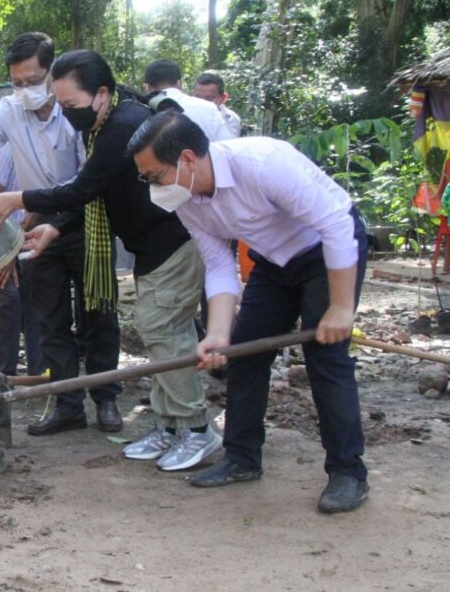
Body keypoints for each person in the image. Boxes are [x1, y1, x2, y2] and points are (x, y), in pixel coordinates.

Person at [0, 51, 220, 470]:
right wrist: (54, 227)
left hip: (174, 240)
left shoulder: (121, 128)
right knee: (159, 331)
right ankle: (169, 424)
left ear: (102, 93)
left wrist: (18, 198)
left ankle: (197, 429)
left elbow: (81, 189)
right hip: (149, 246)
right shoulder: (108, 122)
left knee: (165, 331)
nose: (67, 115)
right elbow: (96, 194)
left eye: (71, 106)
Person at [128, 111, 370, 513]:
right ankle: (241, 457)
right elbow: (220, 264)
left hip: (326, 253)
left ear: (187, 159)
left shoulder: (262, 163)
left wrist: (341, 308)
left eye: (154, 176)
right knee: (243, 355)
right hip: (273, 262)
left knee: (326, 359)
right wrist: (218, 334)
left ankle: (348, 472)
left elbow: (336, 227)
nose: (153, 188)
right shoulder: (187, 198)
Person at [0, 32, 123, 436]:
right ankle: (66, 403)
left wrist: (50, 214)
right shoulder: (8, 112)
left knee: (98, 312)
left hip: (87, 218)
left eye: (33, 80)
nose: (25, 90)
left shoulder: (76, 110)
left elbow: (89, 182)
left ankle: (106, 397)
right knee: (50, 318)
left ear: (52, 72)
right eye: (17, 82)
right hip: (34, 226)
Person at [0, 145, 42, 376]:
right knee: (5, 300)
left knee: (35, 300)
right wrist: (5, 249)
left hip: (29, 233)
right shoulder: (9, 146)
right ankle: (1, 375)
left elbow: (38, 200)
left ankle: (39, 372)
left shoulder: (44, 142)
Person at [143, 60, 232, 141]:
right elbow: (228, 146)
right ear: (179, 84)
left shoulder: (142, 110)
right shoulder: (209, 107)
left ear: (147, 87)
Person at [193, 71, 242, 138]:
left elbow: (229, 145)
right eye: (198, 97)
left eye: (208, 99)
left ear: (223, 98)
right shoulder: (184, 115)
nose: (202, 102)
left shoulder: (230, 119)